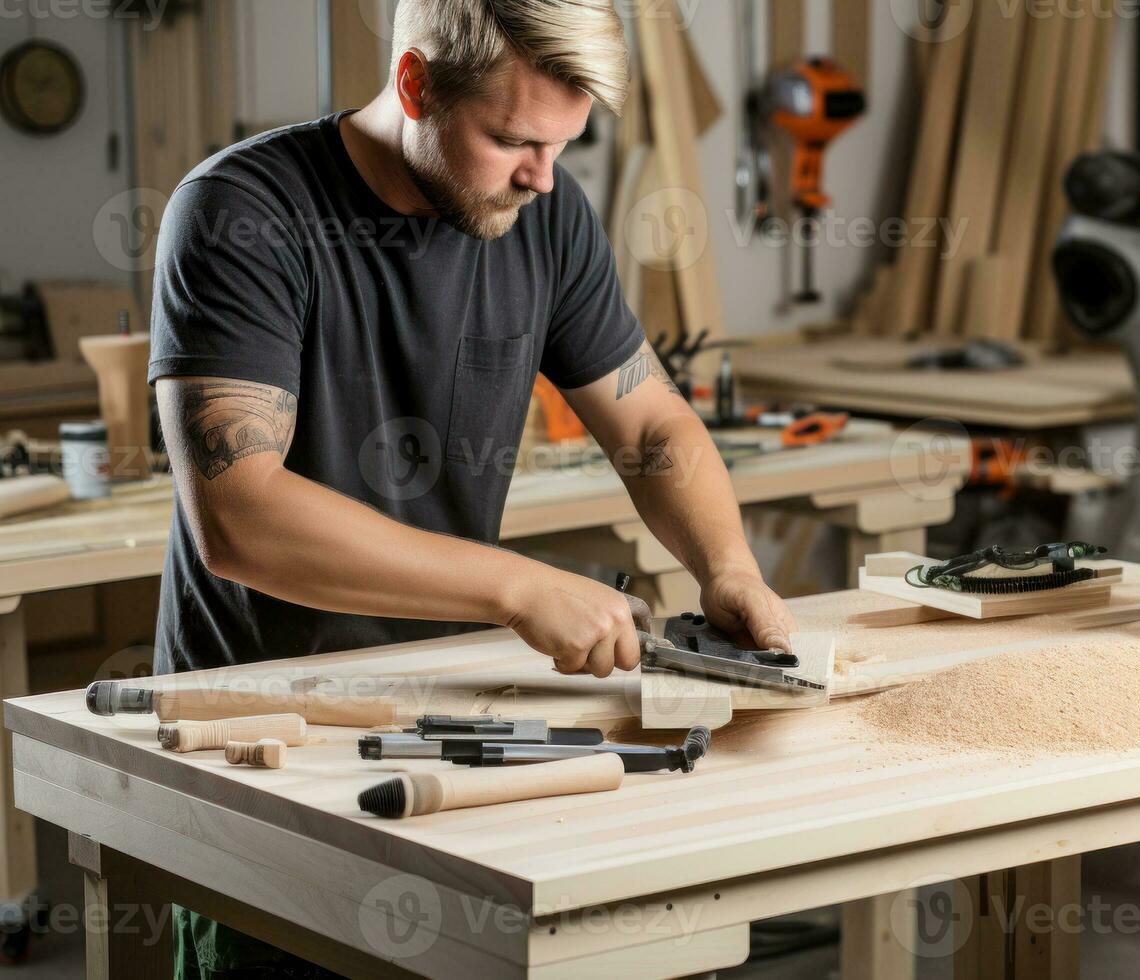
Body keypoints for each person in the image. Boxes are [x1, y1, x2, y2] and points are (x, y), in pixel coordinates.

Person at [147, 2, 793, 975]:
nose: (542, 175)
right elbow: (241, 515)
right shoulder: (241, 211)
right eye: (511, 140)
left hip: (456, 713)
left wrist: (729, 566)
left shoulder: (547, 213)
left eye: (563, 145)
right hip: (263, 730)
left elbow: (652, 421)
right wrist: (519, 585)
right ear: (414, 85)